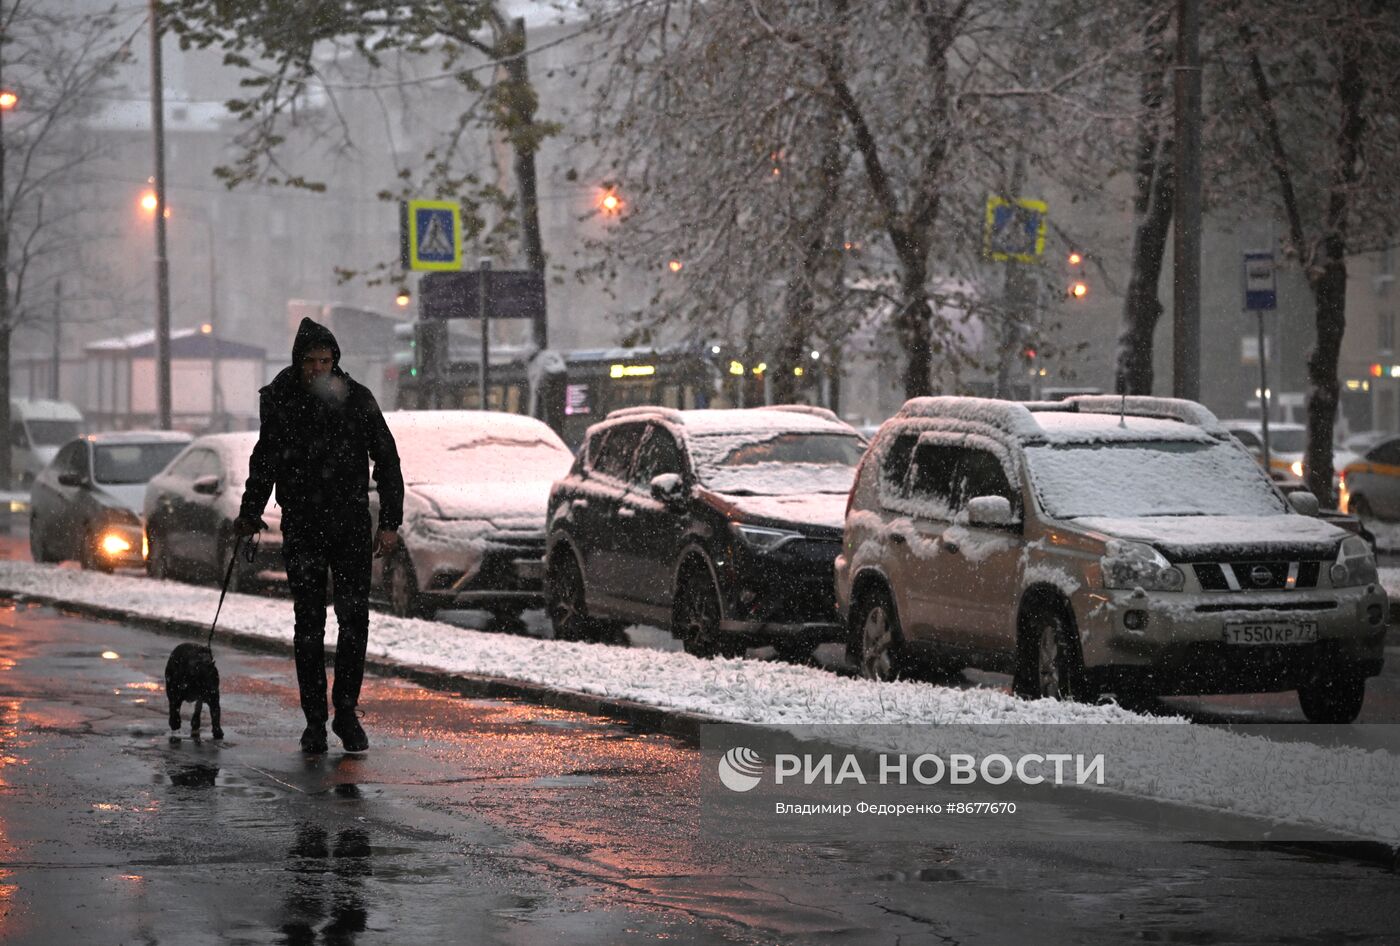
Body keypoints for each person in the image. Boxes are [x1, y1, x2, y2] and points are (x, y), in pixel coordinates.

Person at [235, 317, 404, 754]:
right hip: (304, 525)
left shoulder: (356, 399)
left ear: (335, 360)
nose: (317, 369)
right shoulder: (280, 400)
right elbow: (265, 459)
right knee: (308, 625)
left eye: (325, 360)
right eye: (310, 361)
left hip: (349, 523)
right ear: (298, 361)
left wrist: (390, 521)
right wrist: (250, 512)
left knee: (354, 622)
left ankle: (346, 714)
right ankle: (315, 721)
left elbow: (387, 460)